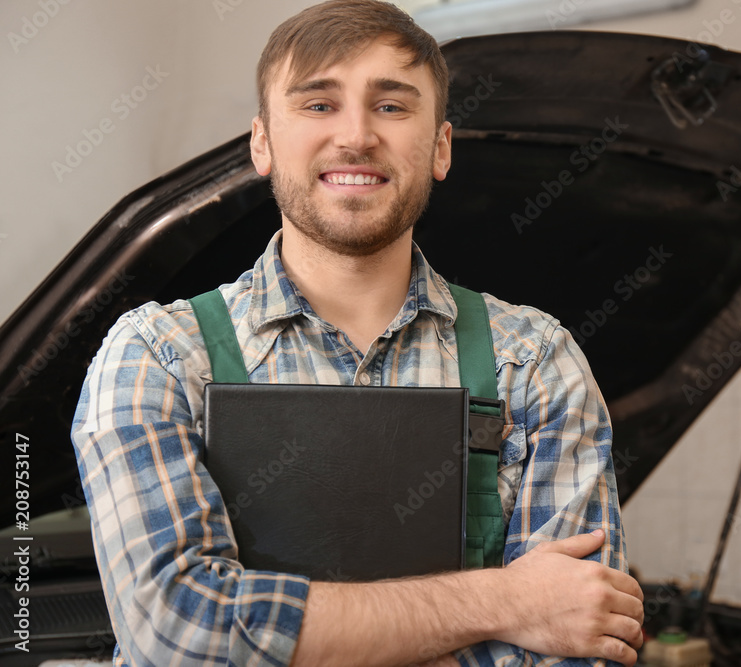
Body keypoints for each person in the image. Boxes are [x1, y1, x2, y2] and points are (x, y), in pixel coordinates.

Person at [71, 1, 644, 664]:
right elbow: (183, 633)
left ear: (440, 148)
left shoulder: (535, 362)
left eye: (392, 106)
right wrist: (507, 602)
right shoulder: (159, 356)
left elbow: (578, 641)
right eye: (318, 104)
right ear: (261, 143)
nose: (356, 136)